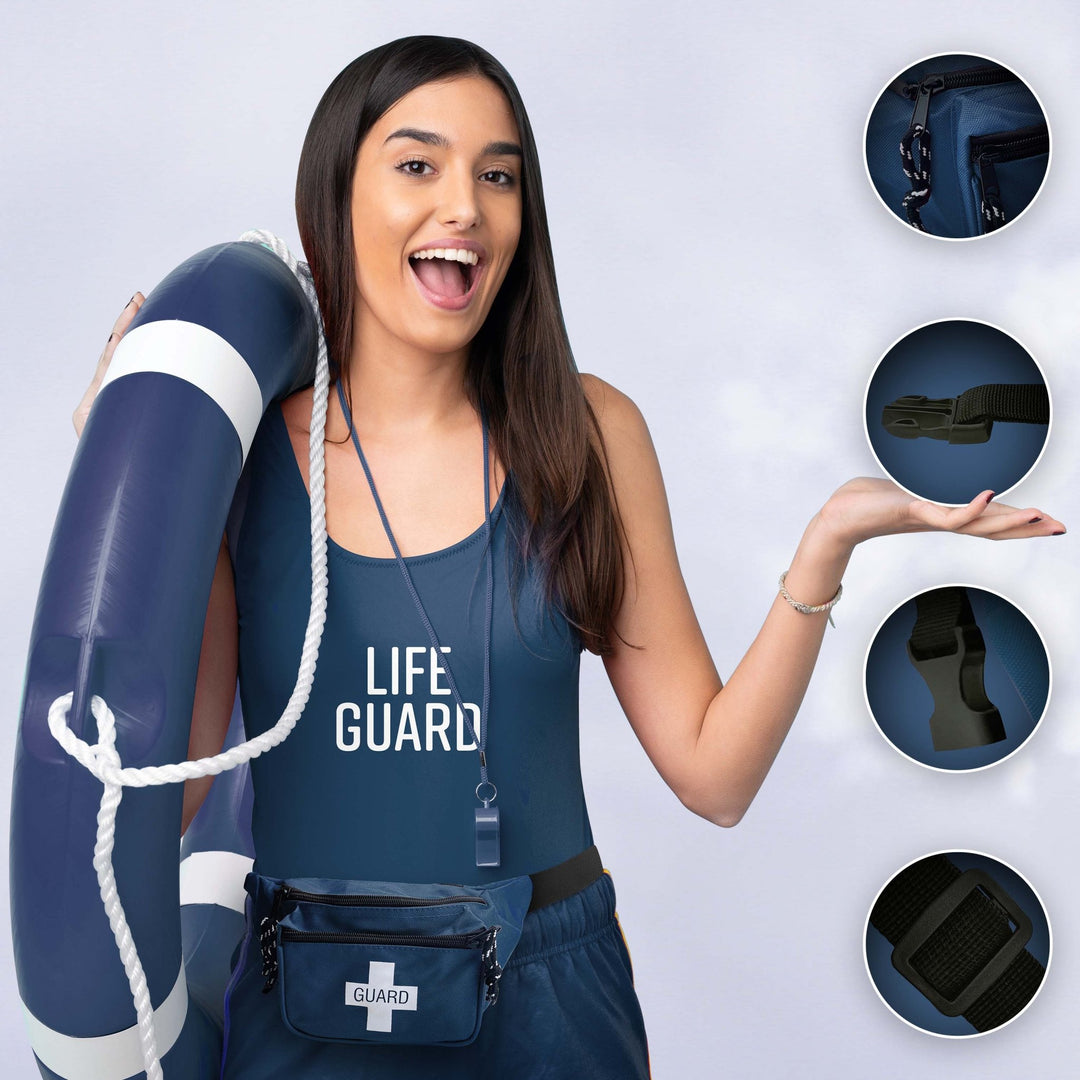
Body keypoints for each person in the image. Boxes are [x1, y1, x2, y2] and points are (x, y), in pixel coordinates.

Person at [72, 34, 1065, 1080]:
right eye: (418, 165)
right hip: (312, 997)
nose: (465, 205)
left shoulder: (588, 435)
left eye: (498, 175)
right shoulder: (239, 461)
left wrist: (827, 548)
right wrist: (123, 482)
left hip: (549, 994)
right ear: (336, 196)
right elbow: (160, 795)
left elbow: (714, 776)